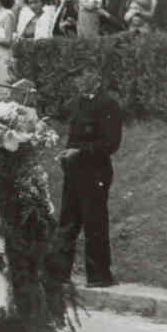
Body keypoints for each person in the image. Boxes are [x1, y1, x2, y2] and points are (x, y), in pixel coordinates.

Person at [53, 62, 123, 288]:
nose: (78, 80)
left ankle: (99, 276)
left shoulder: (108, 105)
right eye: (76, 77)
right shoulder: (77, 104)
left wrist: (81, 152)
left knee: (94, 223)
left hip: (95, 172)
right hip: (73, 171)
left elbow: (111, 143)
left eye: (82, 75)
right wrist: (66, 153)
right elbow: (72, 134)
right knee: (67, 222)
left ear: (96, 76)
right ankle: (59, 273)